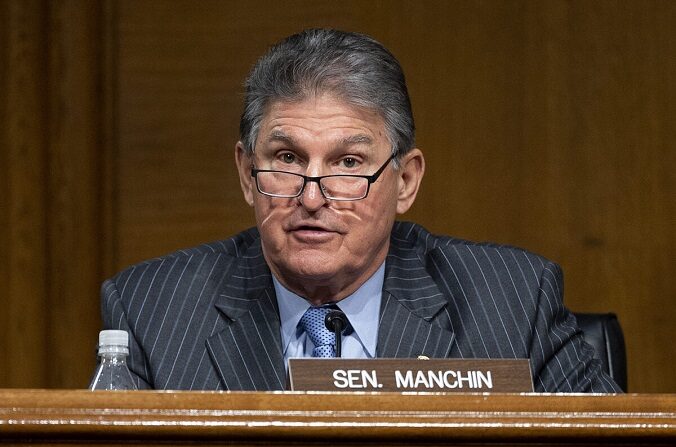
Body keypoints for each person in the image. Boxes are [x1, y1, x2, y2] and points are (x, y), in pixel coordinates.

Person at [99, 28, 621, 393]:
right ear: (245, 174)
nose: (310, 197)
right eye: (286, 159)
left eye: (348, 163)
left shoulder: (511, 303)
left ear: (406, 181)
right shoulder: (152, 311)